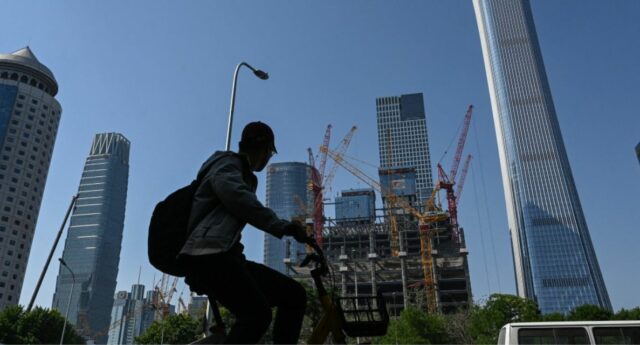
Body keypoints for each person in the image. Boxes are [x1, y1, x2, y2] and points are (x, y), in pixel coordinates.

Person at [179, 121, 309, 344]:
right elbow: (238, 198)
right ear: (266, 150)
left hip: (226, 257)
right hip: (207, 256)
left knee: (294, 295)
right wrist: (281, 225)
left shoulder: (242, 173)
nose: (268, 158)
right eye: (269, 153)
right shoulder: (227, 165)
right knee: (256, 316)